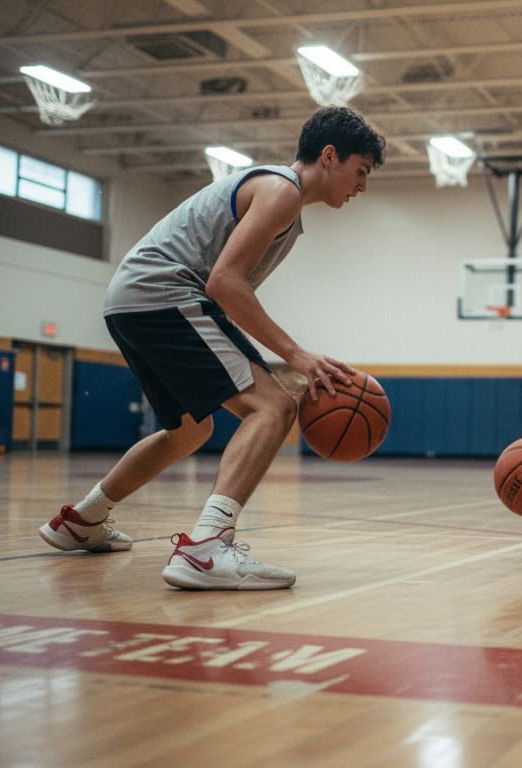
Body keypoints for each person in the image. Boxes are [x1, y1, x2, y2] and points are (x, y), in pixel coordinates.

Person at [38, 106, 386, 590]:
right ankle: (205, 549)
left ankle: (81, 520)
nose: (362, 186)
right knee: (272, 409)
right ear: (329, 156)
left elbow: (228, 298)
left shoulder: (281, 201)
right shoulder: (281, 191)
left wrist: (278, 364)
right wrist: (297, 356)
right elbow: (224, 284)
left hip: (132, 299)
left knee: (188, 430)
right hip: (165, 294)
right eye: (361, 171)